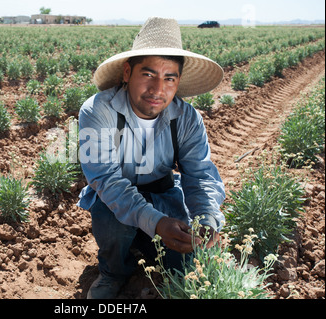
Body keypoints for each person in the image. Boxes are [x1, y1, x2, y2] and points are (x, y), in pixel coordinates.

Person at [77, 17, 225, 299]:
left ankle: (145, 243)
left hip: (164, 192)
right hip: (113, 198)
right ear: (127, 73)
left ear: (178, 81)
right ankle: (113, 271)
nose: (158, 89)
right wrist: (156, 223)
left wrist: (206, 219)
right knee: (112, 217)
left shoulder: (186, 117)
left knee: (183, 264)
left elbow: (201, 175)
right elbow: (106, 180)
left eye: (170, 78)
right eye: (148, 74)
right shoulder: (99, 111)